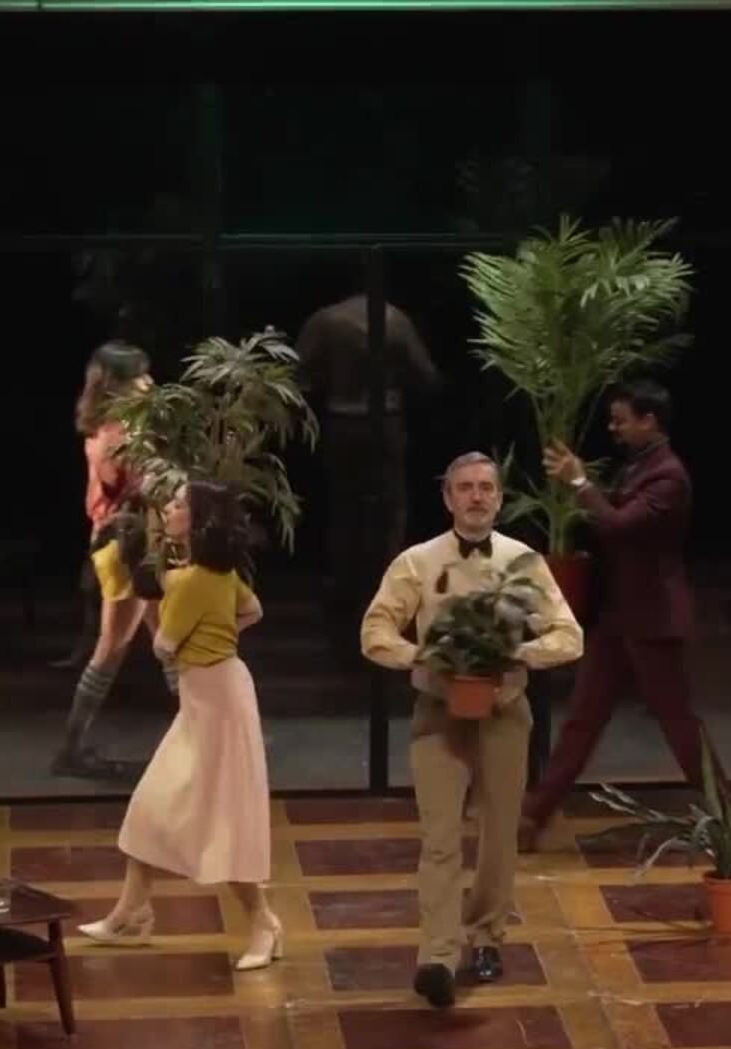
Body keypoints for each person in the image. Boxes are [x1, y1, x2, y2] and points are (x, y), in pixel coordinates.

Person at [360, 452, 582, 1009]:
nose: (476, 496)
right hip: (439, 716)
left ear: (500, 498)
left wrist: (519, 653)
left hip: (504, 715)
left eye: (486, 487)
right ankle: (436, 956)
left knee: (498, 836)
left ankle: (486, 937)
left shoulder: (522, 561)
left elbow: (569, 635)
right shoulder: (417, 561)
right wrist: (421, 656)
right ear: (448, 498)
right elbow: (375, 630)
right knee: (439, 840)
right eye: (465, 487)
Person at [78, 480, 282, 971]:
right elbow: (252, 609)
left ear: (196, 520)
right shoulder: (215, 574)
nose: (167, 509)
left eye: (176, 505)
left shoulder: (193, 581)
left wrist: (183, 612)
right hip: (209, 699)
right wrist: (217, 626)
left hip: (216, 705)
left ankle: (265, 924)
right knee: (152, 805)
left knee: (223, 820)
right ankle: (130, 912)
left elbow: (163, 646)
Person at [519, 379, 720, 853]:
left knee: (678, 724)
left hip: (651, 620)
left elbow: (619, 525)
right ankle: (532, 817)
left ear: (649, 421)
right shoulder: (641, 465)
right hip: (618, 617)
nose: (613, 428)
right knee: (583, 719)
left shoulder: (669, 477)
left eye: (621, 420)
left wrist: (579, 483)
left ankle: (729, 817)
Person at [296, 292, 442, 660]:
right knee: (390, 514)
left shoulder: (326, 319)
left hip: (341, 421)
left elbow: (300, 378)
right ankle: (389, 599)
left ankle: (346, 603)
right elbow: (426, 375)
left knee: (344, 513)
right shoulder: (396, 319)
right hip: (385, 423)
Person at [52, 341, 157, 778]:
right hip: (125, 545)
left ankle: (207, 734)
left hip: (130, 541)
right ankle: (70, 748)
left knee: (169, 641)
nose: (148, 382)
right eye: (139, 376)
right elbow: (140, 488)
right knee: (112, 647)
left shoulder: (110, 427)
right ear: (117, 384)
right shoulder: (117, 434)